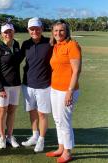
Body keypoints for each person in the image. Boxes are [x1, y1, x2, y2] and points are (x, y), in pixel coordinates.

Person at [46, 20, 82, 163]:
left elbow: (76, 70)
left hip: (67, 90)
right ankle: (61, 148)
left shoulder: (72, 45)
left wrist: (69, 91)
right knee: (57, 120)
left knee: (65, 121)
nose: (58, 33)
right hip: (55, 88)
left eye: (61, 30)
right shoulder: (55, 46)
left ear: (67, 31)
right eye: (55, 31)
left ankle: (67, 152)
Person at [20, 17, 53, 152]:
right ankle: (35, 135)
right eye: (32, 29)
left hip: (44, 85)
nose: (35, 31)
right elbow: (16, 60)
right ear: (28, 30)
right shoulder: (26, 44)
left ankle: (41, 140)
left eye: (37, 29)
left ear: (41, 29)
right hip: (28, 84)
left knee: (42, 114)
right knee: (32, 112)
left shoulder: (49, 43)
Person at [0, 23, 21, 149]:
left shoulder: (17, 45)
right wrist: (0, 88)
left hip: (15, 85)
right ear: (2, 34)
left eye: (10, 31)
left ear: (13, 32)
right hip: (3, 86)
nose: (8, 34)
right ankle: (2, 137)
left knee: (12, 111)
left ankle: (9, 136)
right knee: (2, 111)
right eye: (5, 32)